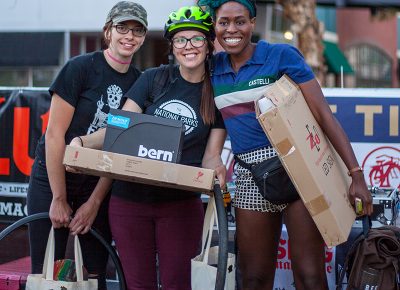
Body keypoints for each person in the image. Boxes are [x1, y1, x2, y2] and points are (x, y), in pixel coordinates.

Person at [198, 1, 374, 289]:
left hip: (299, 171)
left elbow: (323, 115)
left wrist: (356, 174)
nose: (232, 29)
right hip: (251, 176)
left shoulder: (280, 55)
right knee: (253, 278)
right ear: (214, 27)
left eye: (240, 21)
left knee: (309, 275)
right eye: (224, 22)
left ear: (253, 23)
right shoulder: (213, 68)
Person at [70, 6, 227, 290]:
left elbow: (211, 155)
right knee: (137, 285)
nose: (188, 46)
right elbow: (119, 129)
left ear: (209, 44)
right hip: (129, 202)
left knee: (177, 284)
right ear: (173, 46)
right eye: (181, 40)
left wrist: (216, 169)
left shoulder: (216, 93)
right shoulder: (153, 79)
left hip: (180, 205)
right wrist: (82, 142)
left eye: (196, 39)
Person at [27, 1, 148, 288]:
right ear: (108, 31)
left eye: (137, 30)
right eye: (122, 27)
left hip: (98, 182)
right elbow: (55, 135)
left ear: (143, 37)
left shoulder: (140, 82)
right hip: (53, 177)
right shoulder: (80, 68)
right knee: (47, 273)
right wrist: (58, 197)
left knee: (94, 273)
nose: (129, 36)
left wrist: (93, 203)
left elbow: (121, 147)